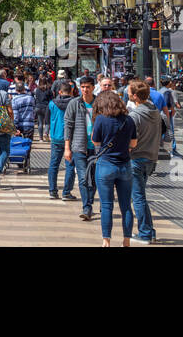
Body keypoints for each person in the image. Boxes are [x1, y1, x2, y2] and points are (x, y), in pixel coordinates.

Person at [91, 90, 137, 247]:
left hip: (105, 165)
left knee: (106, 205)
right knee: (126, 206)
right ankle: (126, 240)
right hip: (124, 165)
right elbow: (134, 143)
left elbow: (95, 142)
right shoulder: (129, 120)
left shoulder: (100, 120)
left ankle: (106, 241)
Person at [126, 79, 163, 245]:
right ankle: (150, 230)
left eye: (129, 93)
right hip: (151, 157)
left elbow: (130, 139)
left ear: (135, 96)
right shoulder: (155, 111)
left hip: (136, 158)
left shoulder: (134, 116)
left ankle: (145, 233)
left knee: (138, 197)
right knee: (141, 195)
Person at [64, 76, 97, 220]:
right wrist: (67, 147)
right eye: (82, 87)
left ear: (93, 87)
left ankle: (88, 204)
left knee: (94, 179)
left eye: (88, 87)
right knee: (83, 178)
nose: (85, 90)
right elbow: (68, 125)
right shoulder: (74, 103)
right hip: (79, 146)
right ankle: (87, 207)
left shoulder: (99, 103)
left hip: (96, 148)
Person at [47, 80, 75, 201]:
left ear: (59, 92)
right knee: (69, 165)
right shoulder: (74, 103)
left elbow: (47, 119)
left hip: (56, 136)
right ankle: (66, 192)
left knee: (54, 164)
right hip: (70, 138)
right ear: (71, 91)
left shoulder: (52, 103)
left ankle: (53, 191)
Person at [33, 77, 52, 141]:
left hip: (38, 107)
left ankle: (40, 138)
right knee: (47, 122)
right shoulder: (48, 90)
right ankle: (46, 133)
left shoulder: (37, 90)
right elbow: (51, 99)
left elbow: (35, 98)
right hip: (46, 107)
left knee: (40, 123)